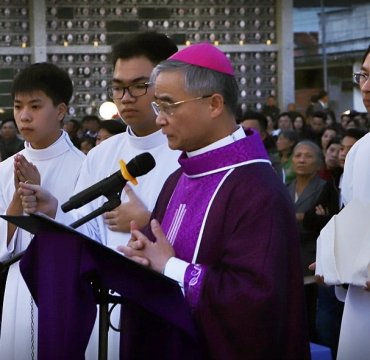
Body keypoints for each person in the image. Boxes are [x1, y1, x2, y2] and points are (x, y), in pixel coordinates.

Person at [117, 43, 310, 359]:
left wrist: (170, 267)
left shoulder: (257, 189)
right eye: (157, 107)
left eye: (168, 106)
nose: (160, 120)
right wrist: (143, 260)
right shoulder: (179, 177)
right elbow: (159, 255)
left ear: (214, 104)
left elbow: (255, 300)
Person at [19, 32, 180, 359]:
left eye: (139, 85)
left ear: (168, 84)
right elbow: (86, 232)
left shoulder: (186, 153)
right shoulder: (102, 154)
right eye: (118, 87)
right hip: (102, 304)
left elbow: (205, 237)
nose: (126, 97)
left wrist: (148, 222)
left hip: (159, 304)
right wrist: (55, 213)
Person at [0, 63, 85, 360]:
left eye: (35, 106)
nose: (24, 116)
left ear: (60, 110)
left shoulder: (85, 167)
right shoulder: (2, 171)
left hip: (64, 288)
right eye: (18, 106)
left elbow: (91, 239)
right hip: (17, 288)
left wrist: (49, 209)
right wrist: (16, 202)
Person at [314, 45, 370, 360]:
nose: (366, 87)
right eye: (364, 75)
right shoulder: (360, 151)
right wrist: (335, 258)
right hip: (361, 307)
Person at [285, 140, 326, 343]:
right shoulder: (285, 187)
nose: (302, 160)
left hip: (312, 262)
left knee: (312, 323)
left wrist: (300, 218)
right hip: (287, 262)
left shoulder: (325, 189)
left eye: (308, 156)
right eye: (298, 155)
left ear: (319, 163)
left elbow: (322, 223)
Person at [238, 110, 283, 180]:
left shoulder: (272, 162)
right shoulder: (233, 158)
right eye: (242, 130)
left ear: (262, 136)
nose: (244, 135)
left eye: (249, 131)